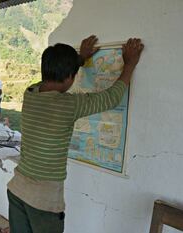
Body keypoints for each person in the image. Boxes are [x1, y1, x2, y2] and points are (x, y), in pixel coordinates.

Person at [7, 36, 144, 233]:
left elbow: (56, 79)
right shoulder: (68, 105)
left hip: (16, 189)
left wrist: (79, 59)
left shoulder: (30, 93)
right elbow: (111, 98)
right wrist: (130, 64)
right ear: (70, 77)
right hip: (43, 201)